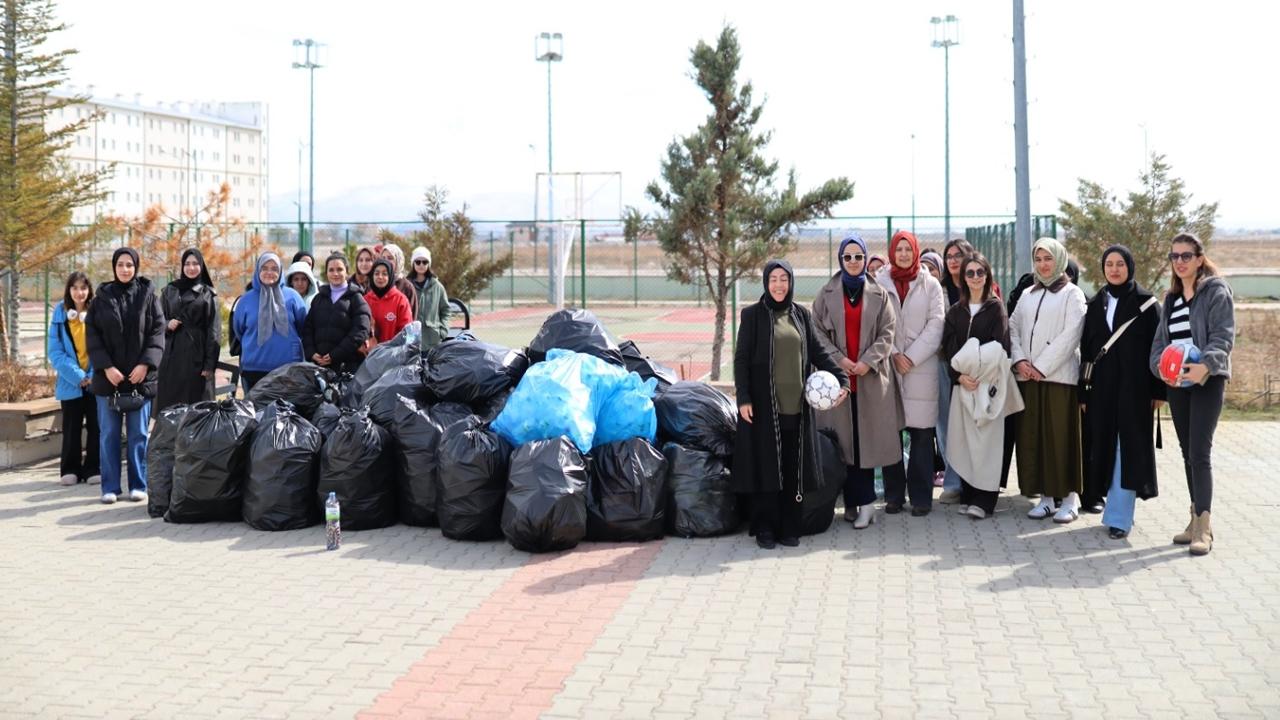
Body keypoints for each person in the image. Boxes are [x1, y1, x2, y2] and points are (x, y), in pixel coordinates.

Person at [733, 259, 848, 549]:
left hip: (796, 409)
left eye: (784, 278)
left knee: (793, 470)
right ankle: (765, 529)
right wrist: (744, 398)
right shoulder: (752, 316)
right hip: (763, 410)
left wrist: (842, 379)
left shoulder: (801, 316)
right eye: (774, 279)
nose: (779, 285)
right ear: (765, 282)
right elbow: (741, 360)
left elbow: (819, 353)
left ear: (791, 282)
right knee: (767, 469)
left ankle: (790, 527)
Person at [1149, 232, 1234, 555]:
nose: (1180, 262)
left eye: (1186, 256)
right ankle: (1193, 518)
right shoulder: (1170, 299)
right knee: (1187, 452)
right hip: (1178, 386)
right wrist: (1162, 371)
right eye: (1175, 256)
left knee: (1200, 452)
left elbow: (1223, 336)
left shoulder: (1215, 290)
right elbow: (1158, 345)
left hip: (1207, 381)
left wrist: (1207, 367)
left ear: (1199, 259)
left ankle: (1204, 527)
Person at [812, 233, 903, 530]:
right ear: (840, 260)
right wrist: (840, 360)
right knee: (843, 444)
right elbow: (817, 334)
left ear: (866, 259)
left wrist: (867, 362)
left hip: (869, 381)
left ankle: (866, 505)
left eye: (858, 257)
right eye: (848, 257)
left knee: (865, 444)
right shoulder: (825, 293)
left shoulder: (880, 294)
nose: (853, 262)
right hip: (838, 380)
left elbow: (888, 333)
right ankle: (850, 503)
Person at [1080, 245, 1164, 539]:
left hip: (1135, 392)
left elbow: (1159, 351)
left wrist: (1159, 392)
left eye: (1120, 264)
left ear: (1130, 266)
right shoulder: (1095, 303)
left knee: (1125, 450)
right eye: (1109, 264)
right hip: (1102, 391)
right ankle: (1109, 507)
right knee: (1103, 448)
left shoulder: (1147, 304)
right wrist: (1084, 394)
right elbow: (1087, 351)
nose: (1114, 269)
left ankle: (1119, 517)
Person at [1009, 237, 1087, 523]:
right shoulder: (1028, 293)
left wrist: (1041, 367)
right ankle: (1045, 499)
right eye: (1038, 259)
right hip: (1029, 378)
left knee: (1061, 438)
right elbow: (1013, 327)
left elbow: (1071, 334)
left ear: (1060, 259)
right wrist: (1020, 361)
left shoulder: (1072, 293)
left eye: (1048, 258)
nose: (1043, 265)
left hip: (1058, 380)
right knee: (1035, 437)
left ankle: (1069, 499)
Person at [940, 254, 1018, 519]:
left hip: (988, 387)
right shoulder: (954, 312)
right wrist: (959, 376)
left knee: (987, 444)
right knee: (965, 442)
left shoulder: (996, 308)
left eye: (980, 272)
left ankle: (986, 501)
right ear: (963, 277)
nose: (975, 278)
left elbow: (1001, 348)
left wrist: (980, 375)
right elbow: (947, 350)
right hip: (963, 386)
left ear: (987, 275)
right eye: (970, 273)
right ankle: (969, 494)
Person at [85, 248, 165, 504]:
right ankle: (110, 487)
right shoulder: (101, 298)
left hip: (140, 380)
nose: (125, 269)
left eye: (129, 264)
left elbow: (157, 332)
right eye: (120, 264)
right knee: (108, 434)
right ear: (114, 267)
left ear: (136, 267)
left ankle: (138, 485)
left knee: (138, 434)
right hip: (108, 380)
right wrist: (106, 367)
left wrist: (145, 365)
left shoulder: (149, 295)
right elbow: (93, 338)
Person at [876, 230, 946, 516]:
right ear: (892, 252)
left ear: (915, 251)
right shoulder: (879, 282)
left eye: (908, 249)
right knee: (891, 434)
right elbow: (875, 323)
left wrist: (912, 356)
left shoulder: (930, 285)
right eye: (899, 249)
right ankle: (894, 496)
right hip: (890, 368)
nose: (903, 254)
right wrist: (893, 354)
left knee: (921, 436)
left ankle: (921, 498)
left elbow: (937, 324)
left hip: (922, 368)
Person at [48, 271, 99, 486]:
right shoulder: (59, 314)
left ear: (89, 290)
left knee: (97, 427)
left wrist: (92, 376)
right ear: (69, 290)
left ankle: (93, 468)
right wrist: (79, 376)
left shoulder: (97, 311)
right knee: (71, 427)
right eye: (75, 288)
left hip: (96, 381)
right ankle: (70, 468)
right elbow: (55, 351)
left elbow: (105, 346)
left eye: (84, 288)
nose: (80, 292)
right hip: (71, 383)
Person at [232, 252, 307, 393]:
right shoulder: (246, 300)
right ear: (257, 271)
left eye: (274, 268)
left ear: (280, 271)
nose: (269, 272)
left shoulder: (293, 297)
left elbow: (303, 326)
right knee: (256, 414)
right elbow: (239, 330)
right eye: (264, 268)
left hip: (288, 370)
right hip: (254, 368)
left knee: (286, 414)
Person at [156, 249, 219, 411]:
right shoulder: (170, 290)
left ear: (202, 266)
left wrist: (209, 365)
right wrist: (167, 324)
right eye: (187, 264)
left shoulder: (207, 294)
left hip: (196, 359)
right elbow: (156, 321)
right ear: (182, 266)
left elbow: (214, 331)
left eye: (196, 263)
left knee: (196, 407)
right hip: (170, 357)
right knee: (170, 409)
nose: (191, 268)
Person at [304, 254, 372, 375]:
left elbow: (361, 330)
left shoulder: (356, 299)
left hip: (347, 368)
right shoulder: (319, 298)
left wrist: (335, 355)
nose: (335, 273)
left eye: (339, 269)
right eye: (331, 270)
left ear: (347, 271)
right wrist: (311, 353)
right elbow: (308, 328)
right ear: (326, 273)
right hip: (319, 368)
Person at [407, 246, 452, 350]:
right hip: (411, 340)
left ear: (429, 264)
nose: (421, 265)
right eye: (417, 262)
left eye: (425, 262)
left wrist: (443, 330)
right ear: (413, 263)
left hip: (433, 340)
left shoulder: (437, 286)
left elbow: (446, 310)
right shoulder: (407, 285)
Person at [363, 259, 413, 344]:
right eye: (377, 273)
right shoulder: (365, 300)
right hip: (369, 355)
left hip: (394, 354)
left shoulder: (401, 300)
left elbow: (406, 332)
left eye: (384, 274)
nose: (380, 277)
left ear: (390, 276)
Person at [379, 243, 418, 317]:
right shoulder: (375, 283)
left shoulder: (407, 287)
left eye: (390, 258)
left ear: (398, 261)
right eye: (383, 258)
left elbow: (412, 317)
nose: (386, 261)